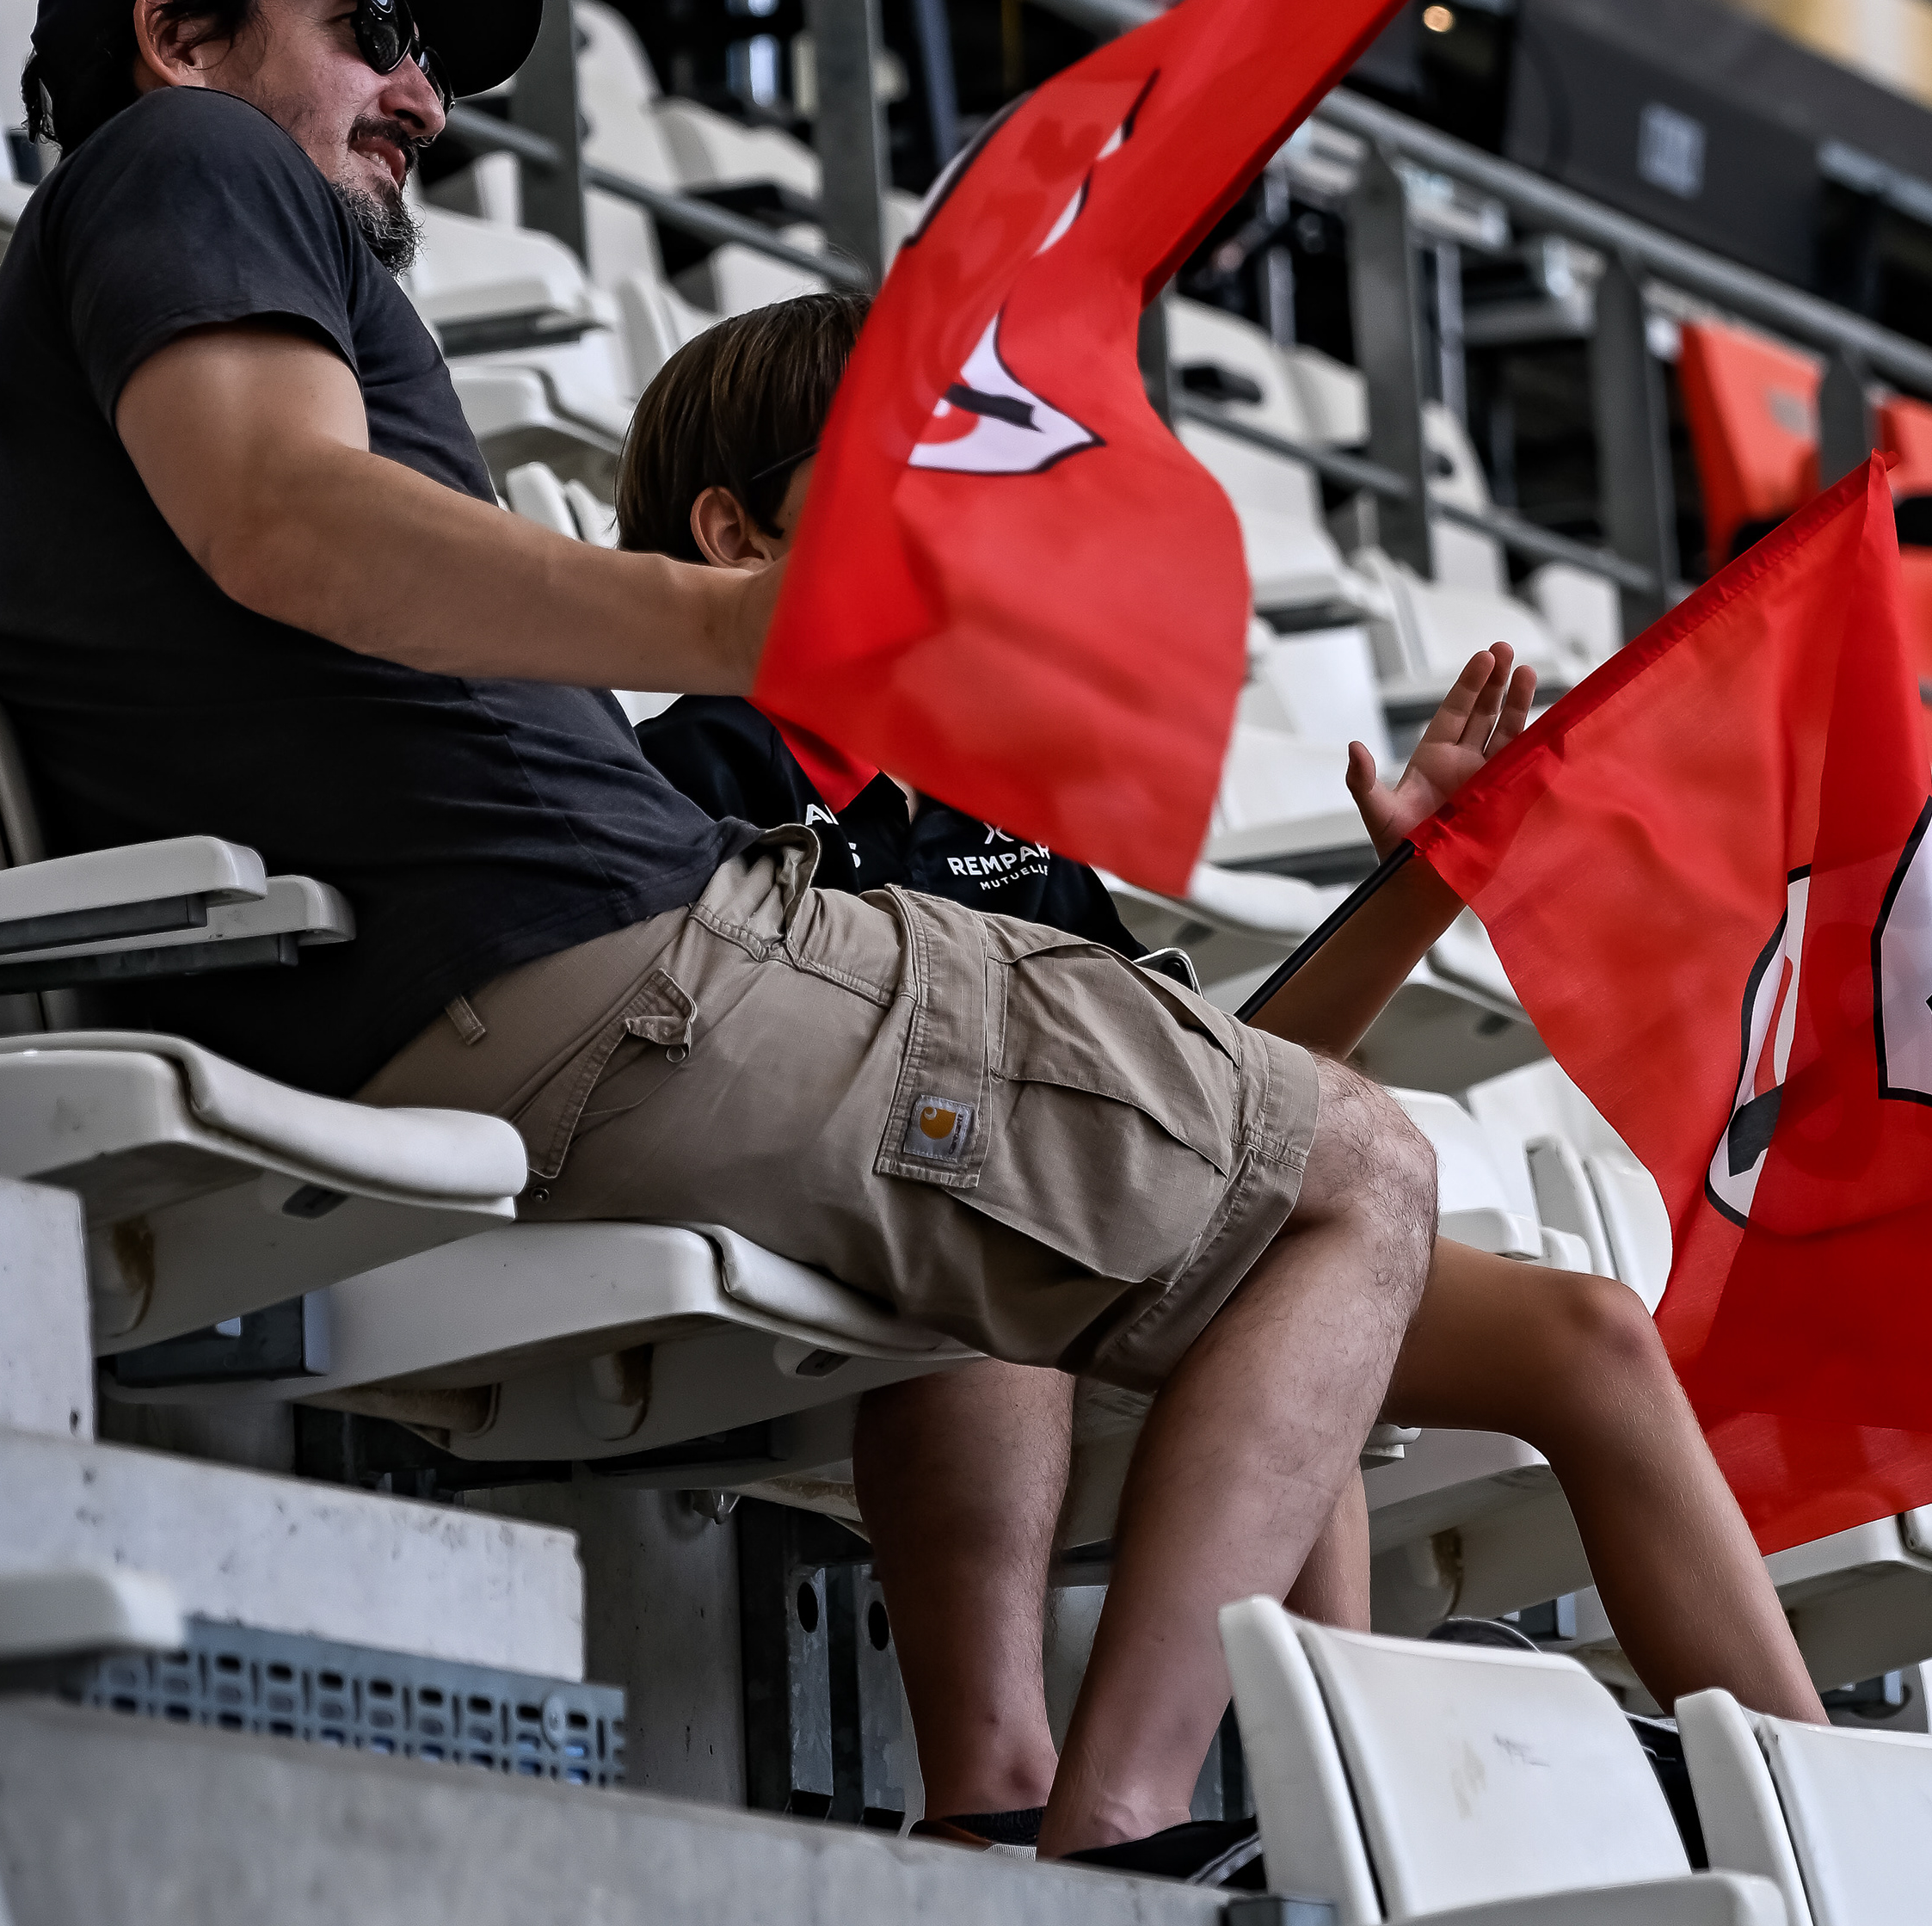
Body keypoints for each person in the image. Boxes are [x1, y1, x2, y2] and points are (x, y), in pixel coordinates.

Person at [0, 0, 1437, 1866]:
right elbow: (284, 517)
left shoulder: (207, 225)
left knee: (1179, 1194)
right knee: (1354, 1176)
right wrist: (721, 624)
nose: (423, 92)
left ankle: (1046, 1804)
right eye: (369, 25)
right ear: (178, 28)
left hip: (557, 974)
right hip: (599, 968)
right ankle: (1124, 1829)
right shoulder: (198, 160)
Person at [616, 291, 1828, 1833]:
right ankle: (1021, 1796)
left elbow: (1209, 1114)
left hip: (1046, 1207)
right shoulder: (694, 778)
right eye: (904, 474)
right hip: (884, 1220)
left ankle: (1822, 1816)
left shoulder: (995, 807)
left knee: (1576, 1331)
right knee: (1031, 1237)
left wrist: (1428, 880)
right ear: (738, 535)